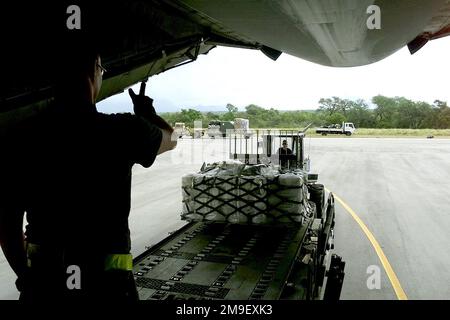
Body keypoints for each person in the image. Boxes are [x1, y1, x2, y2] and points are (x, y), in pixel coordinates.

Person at [0, 40, 176, 301]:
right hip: (109, 285)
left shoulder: (21, 138)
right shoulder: (124, 130)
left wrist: (26, 275)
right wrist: (145, 112)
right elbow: (171, 138)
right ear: (95, 69)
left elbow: (6, 221)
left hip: (45, 282)